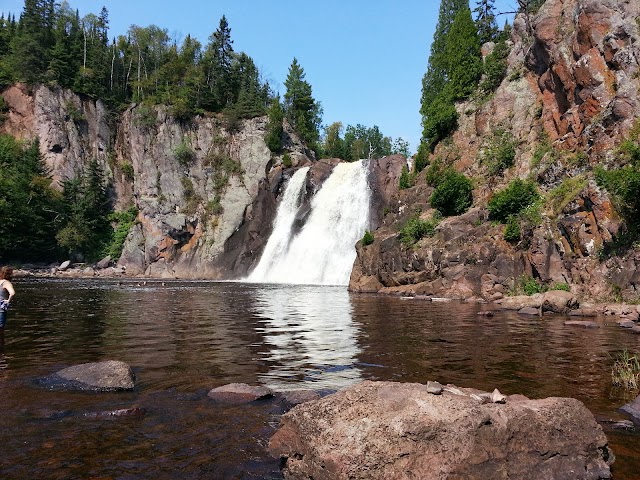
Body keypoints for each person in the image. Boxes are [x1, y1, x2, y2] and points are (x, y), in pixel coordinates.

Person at [0, 266, 15, 345]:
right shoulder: (6, 283)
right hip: (1, 309)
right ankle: (2, 351)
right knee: (1, 332)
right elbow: (12, 293)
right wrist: (8, 300)